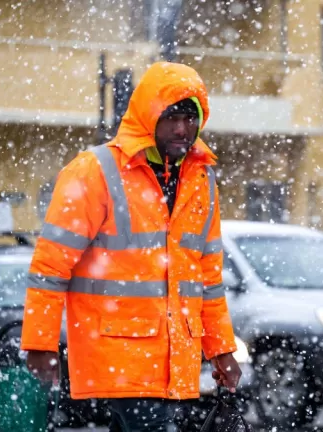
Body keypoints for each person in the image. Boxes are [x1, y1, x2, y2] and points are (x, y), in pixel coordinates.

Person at [20, 61, 242, 431]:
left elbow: (207, 279)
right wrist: (39, 344)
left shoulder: (202, 179)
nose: (183, 128)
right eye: (172, 117)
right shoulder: (95, 171)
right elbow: (51, 265)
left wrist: (220, 351)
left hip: (174, 360)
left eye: (191, 118)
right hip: (119, 354)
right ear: (148, 115)